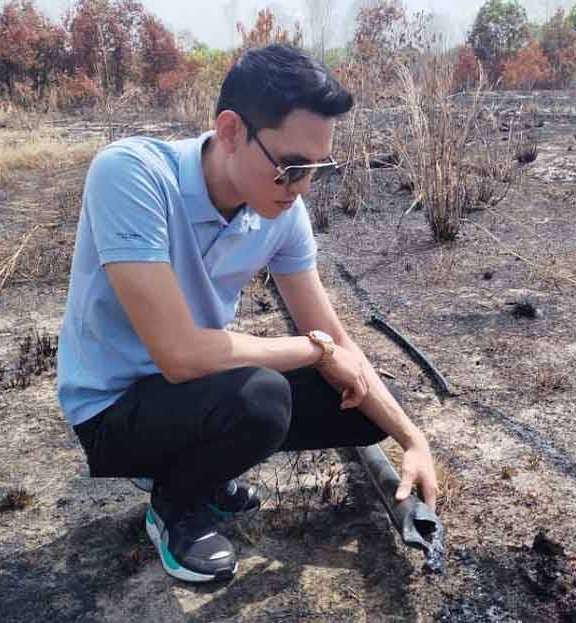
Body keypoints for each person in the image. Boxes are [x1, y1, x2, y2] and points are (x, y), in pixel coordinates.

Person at [57, 44, 438, 583]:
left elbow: (333, 335)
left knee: (361, 400)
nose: (302, 187)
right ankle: (175, 506)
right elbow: (181, 355)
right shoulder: (132, 176)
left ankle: (203, 468)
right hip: (114, 411)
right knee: (262, 398)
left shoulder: (282, 212)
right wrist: (316, 350)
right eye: (291, 167)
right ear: (232, 130)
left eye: (316, 169)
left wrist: (411, 437)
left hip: (197, 394)